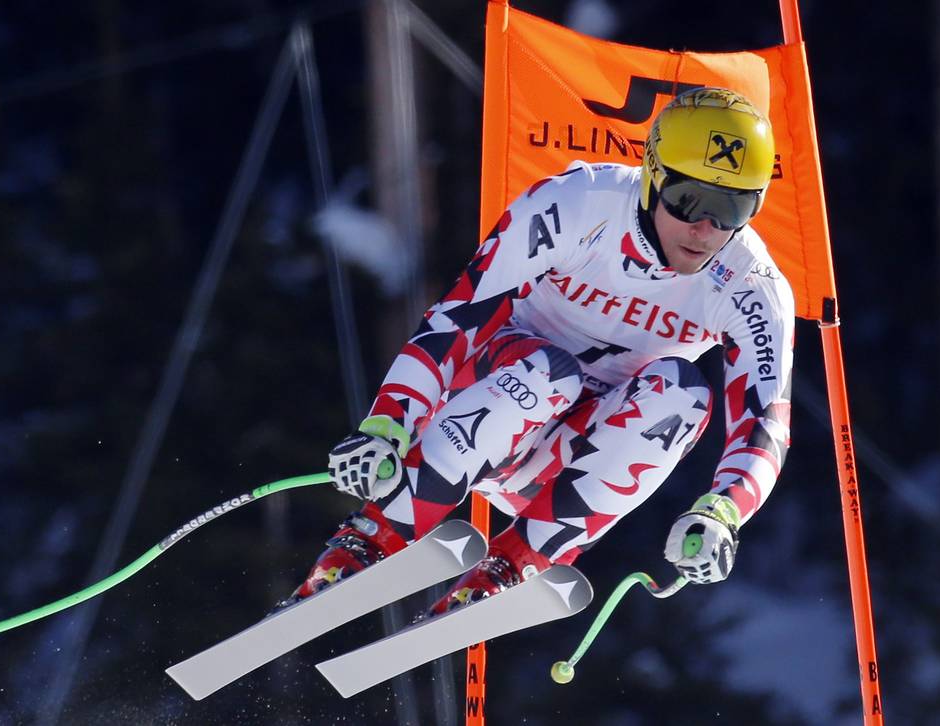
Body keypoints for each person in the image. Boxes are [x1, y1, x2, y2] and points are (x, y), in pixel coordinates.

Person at [280, 87, 794, 617]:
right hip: (491, 402)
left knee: (684, 392)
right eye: (691, 201)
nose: (706, 229)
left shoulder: (750, 286)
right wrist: (388, 423)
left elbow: (765, 422)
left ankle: (514, 564)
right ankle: (370, 540)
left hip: (574, 454)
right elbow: (459, 316)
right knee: (552, 372)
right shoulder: (578, 205)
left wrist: (724, 511)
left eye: (733, 208)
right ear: (652, 174)